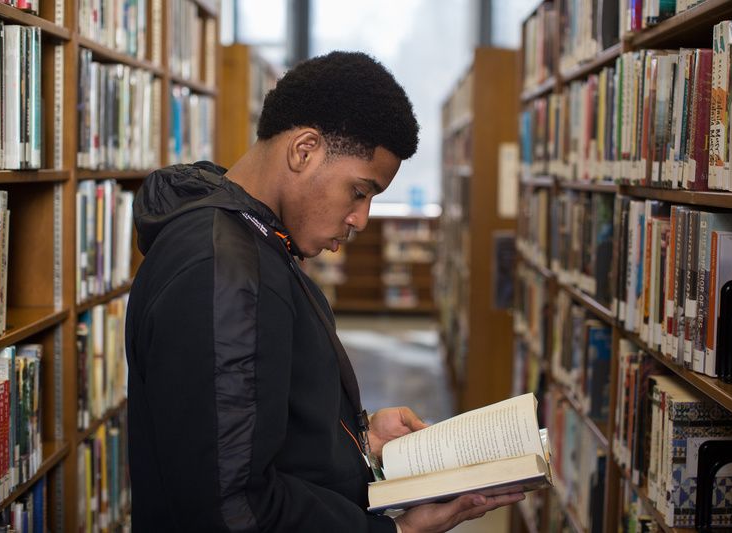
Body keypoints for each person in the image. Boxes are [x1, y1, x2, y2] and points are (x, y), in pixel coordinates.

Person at [124, 50, 524, 532]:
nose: (361, 219)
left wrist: (358, 441)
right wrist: (398, 531)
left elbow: (251, 425)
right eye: (359, 191)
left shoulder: (254, 239)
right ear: (304, 149)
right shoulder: (224, 271)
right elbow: (232, 509)